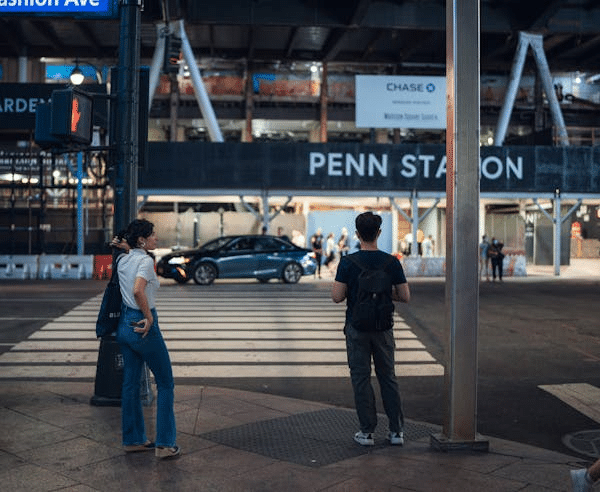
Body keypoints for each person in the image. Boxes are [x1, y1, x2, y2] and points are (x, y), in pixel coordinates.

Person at [331, 211, 410, 446]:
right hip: (383, 328)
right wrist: (384, 293)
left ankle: (366, 432)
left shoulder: (348, 262)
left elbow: (337, 296)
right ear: (379, 233)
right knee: (388, 377)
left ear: (357, 234)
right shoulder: (391, 262)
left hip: (357, 328)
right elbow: (405, 296)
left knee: (361, 378)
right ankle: (396, 432)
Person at [113, 219, 180, 459]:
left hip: (124, 325)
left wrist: (124, 246)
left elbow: (129, 255)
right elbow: (138, 290)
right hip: (143, 325)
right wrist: (149, 317)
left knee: (130, 384)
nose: (156, 238)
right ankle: (165, 444)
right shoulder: (145, 261)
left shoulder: (123, 259)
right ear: (142, 240)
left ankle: (132, 439)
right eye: (152, 235)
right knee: (165, 383)